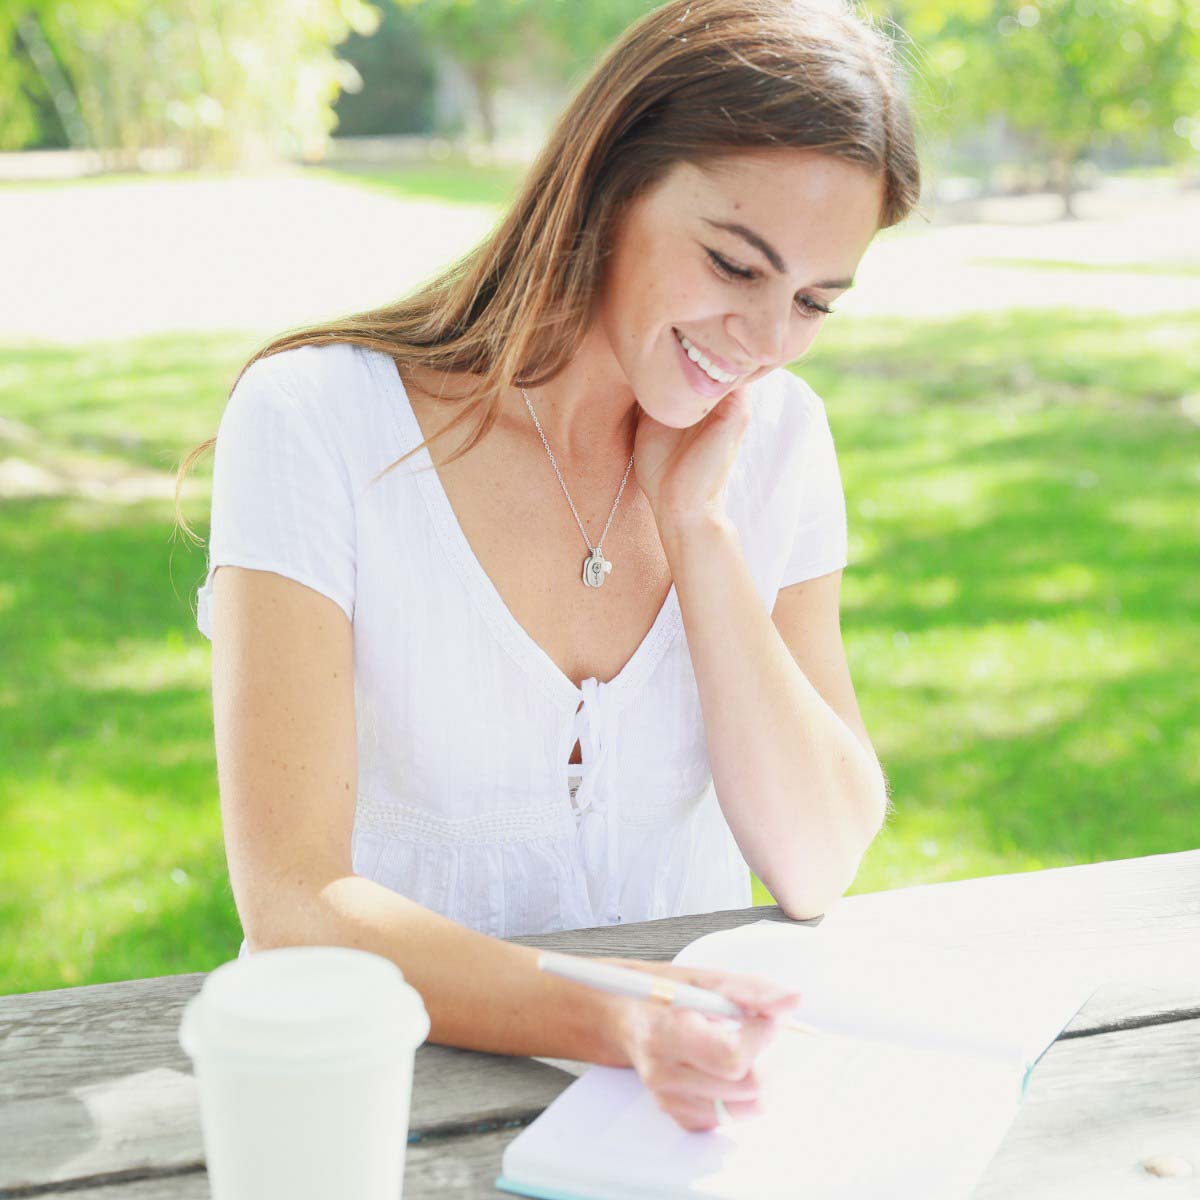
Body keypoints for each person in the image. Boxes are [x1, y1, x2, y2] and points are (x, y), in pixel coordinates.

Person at [174, 0, 920, 1134]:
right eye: (734, 263)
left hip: (682, 1128)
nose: (765, 341)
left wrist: (700, 534)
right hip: (389, 1110)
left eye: (814, 300)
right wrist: (617, 1019)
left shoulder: (777, 441)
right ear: (609, 183)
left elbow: (816, 861)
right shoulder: (319, 420)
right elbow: (294, 904)